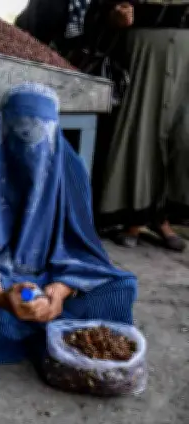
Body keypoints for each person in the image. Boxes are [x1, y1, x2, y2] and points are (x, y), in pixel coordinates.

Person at [0, 83, 137, 365]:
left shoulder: (71, 174)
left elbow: (82, 251)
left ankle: (38, 328)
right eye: (20, 130)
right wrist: (1, 296)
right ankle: (47, 336)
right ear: (1, 129)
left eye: (40, 131)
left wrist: (58, 293)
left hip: (51, 280)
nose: (30, 142)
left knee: (120, 288)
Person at [88, 1, 189, 250]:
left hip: (185, 58)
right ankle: (133, 218)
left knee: (180, 136)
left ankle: (160, 217)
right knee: (140, 132)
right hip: (140, 54)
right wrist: (114, 17)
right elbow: (98, 12)